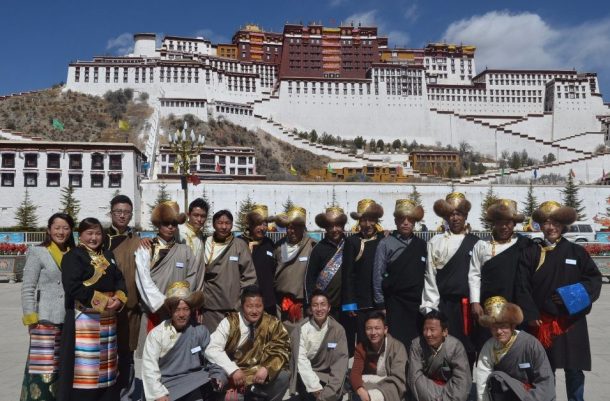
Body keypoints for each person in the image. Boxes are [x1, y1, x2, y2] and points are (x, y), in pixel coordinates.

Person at [515, 201, 602, 401]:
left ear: (563, 225)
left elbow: (593, 280)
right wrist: (530, 314)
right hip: (541, 323)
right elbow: (522, 286)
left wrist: (570, 296)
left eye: (556, 222)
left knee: (574, 369)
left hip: (571, 321)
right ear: (540, 225)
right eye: (546, 222)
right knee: (544, 369)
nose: (551, 227)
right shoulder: (531, 253)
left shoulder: (576, 252)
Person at [58, 217, 128, 401]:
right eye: (89, 233)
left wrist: (119, 299)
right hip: (84, 321)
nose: (94, 238)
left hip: (108, 321)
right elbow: (73, 287)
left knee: (107, 366)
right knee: (86, 369)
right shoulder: (73, 256)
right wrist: (104, 301)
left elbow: (120, 280)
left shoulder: (108, 255)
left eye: (98, 233)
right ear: (80, 236)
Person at [20, 212, 76, 401]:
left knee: (63, 370)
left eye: (66, 228)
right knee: (42, 371)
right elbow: (28, 287)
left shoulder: (74, 254)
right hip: (45, 319)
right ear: (49, 230)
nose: (61, 232)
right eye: (57, 227)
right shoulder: (38, 252)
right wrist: (31, 318)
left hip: (68, 319)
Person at [420, 192, 479, 366]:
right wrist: (430, 306)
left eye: (458, 213)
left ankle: (465, 385)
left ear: (465, 216)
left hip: (466, 306)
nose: (455, 218)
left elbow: (478, 277)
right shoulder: (435, 242)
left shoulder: (476, 243)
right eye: (451, 214)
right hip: (443, 304)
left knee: (467, 347)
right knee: (443, 346)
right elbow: (430, 275)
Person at [142, 281, 226, 401]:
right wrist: (158, 394)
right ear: (170, 311)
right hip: (166, 383)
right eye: (177, 309)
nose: (182, 314)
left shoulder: (200, 331)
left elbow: (213, 358)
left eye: (186, 309)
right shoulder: (157, 334)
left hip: (193, 382)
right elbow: (149, 367)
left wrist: (218, 375)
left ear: (191, 310)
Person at [205, 285, 291, 401]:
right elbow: (212, 349)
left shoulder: (272, 323)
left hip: (258, 374)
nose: (254, 311)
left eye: (258, 306)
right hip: (235, 375)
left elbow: (282, 348)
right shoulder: (230, 322)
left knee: (283, 376)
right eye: (249, 306)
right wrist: (233, 370)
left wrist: (267, 368)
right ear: (242, 306)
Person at [468, 199, 532, 349]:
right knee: (487, 344)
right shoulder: (482, 245)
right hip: (487, 300)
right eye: (500, 222)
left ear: (514, 223)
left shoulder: (524, 245)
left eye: (508, 222)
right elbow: (474, 274)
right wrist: (475, 302)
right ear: (493, 223)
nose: (504, 226)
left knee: (514, 345)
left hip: (514, 299)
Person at [135, 201, 202, 337]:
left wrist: (181, 300)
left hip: (179, 310)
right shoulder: (147, 248)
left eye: (174, 224)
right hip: (154, 309)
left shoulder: (185, 250)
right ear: (158, 224)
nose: (171, 227)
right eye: (166, 223)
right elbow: (142, 278)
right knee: (153, 353)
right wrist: (161, 301)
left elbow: (192, 275)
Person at [102, 194, 144, 400]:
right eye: (118, 211)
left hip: (130, 308)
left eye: (126, 212)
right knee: (103, 353)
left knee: (126, 353)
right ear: (111, 213)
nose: (122, 216)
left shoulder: (138, 242)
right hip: (102, 308)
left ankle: (126, 393)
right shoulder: (99, 239)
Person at [475, 296, 555, 401]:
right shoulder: (489, 347)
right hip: (505, 395)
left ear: (512, 326)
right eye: (494, 327)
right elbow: (482, 380)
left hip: (531, 395)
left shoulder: (530, 344)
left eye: (503, 326)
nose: (499, 331)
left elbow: (545, 380)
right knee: (495, 377)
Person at [372, 199, 427, 348]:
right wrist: (380, 303)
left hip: (416, 303)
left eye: (410, 220)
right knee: (396, 342)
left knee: (416, 341)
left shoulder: (422, 245)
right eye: (401, 219)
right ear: (396, 221)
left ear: (415, 222)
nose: (406, 223)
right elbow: (378, 274)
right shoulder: (385, 243)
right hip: (394, 302)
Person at [201, 210, 257, 331]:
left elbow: (249, 276)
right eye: (220, 223)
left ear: (232, 225)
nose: (224, 227)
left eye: (227, 223)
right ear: (214, 224)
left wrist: (240, 301)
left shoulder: (239, 245)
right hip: (210, 308)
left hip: (233, 308)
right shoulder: (205, 243)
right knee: (211, 345)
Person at [289, 289, 349, 401]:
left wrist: (330, 391)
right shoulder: (301, 329)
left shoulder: (338, 330)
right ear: (310, 309)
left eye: (323, 305)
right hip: (307, 375)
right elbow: (301, 361)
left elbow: (340, 362)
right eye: (315, 305)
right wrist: (315, 389)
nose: (319, 309)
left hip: (328, 376)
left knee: (335, 394)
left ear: (329, 307)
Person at [342, 199, 385, 349]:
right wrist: (349, 303)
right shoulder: (352, 242)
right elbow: (347, 274)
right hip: (360, 302)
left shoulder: (383, 240)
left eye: (371, 220)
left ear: (376, 221)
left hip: (379, 302)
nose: (367, 224)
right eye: (363, 220)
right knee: (362, 337)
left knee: (379, 335)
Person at [407, 310, 472, 401]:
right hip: (425, 393)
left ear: (444, 332)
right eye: (425, 329)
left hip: (450, 392)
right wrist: (435, 398)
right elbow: (415, 378)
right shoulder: (417, 345)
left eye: (432, 330)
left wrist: (445, 398)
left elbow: (462, 381)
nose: (428, 334)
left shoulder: (456, 347)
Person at [273, 206, 315, 330]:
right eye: (289, 227)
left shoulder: (312, 246)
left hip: (302, 304)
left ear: (303, 228)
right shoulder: (278, 247)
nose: (292, 231)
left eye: (296, 227)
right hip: (281, 304)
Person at [350, 311, 408, 401]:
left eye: (377, 328)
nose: (373, 332)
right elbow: (355, 373)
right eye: (369, 328)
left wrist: (372, 395)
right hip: (366, 390)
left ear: (385, 329)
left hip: (388, 389)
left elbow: (398, 379)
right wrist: (360, 390)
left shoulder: (397, 347)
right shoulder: (361, 347)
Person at [305, 207, 347, 319]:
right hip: (323, 307)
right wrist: (309, 303)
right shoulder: (318, 249)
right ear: (325, 228)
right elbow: (309, 278)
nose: (334, 229)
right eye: (330, 226)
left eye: (338, 225)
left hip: (346, 306)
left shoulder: (350, 245)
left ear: (343, 226)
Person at [239, 204, 277, 316]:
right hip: (245, 301)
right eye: (258, 224)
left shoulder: (269, 243)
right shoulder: (239, 243)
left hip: (267, 302)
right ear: (250, 224)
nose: (262, 228)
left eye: (265, 224)